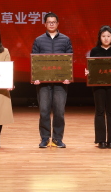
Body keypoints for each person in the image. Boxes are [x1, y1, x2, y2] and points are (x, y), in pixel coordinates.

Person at [32, 12, 73, 148]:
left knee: (59, 111)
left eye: (53, 22)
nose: (51, 24)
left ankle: (57, 138)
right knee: (44, 110)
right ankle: (45, 138)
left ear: (57, 24)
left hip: (60, 83)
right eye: (49, 22)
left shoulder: (65, 40)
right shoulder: (38, 40)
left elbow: (69, 59)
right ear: (45, 24)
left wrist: (68, 77)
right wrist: (36, 77)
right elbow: (34, 60)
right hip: (43, 83)